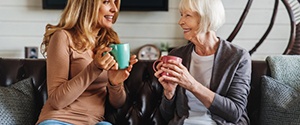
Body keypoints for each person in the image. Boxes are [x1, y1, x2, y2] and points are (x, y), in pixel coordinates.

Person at [36, 0, 138, 125]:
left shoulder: (110, 43)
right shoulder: (63, 37)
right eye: (106, 2)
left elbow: (118, 104)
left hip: (95, 122)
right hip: (59, 120)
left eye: (115, 2)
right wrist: (94, 68)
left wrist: (115, 84)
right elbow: (57, 101)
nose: (115, 9)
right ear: (87, 4)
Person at [154, 0, 251, 124]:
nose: (180, 22)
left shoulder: (238, 57)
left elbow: (235, 113)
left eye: (187, 15)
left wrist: (192, 85)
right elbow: (167, 116)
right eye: (181, 15)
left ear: (207, 18)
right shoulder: (177, 55)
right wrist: (169, 93)